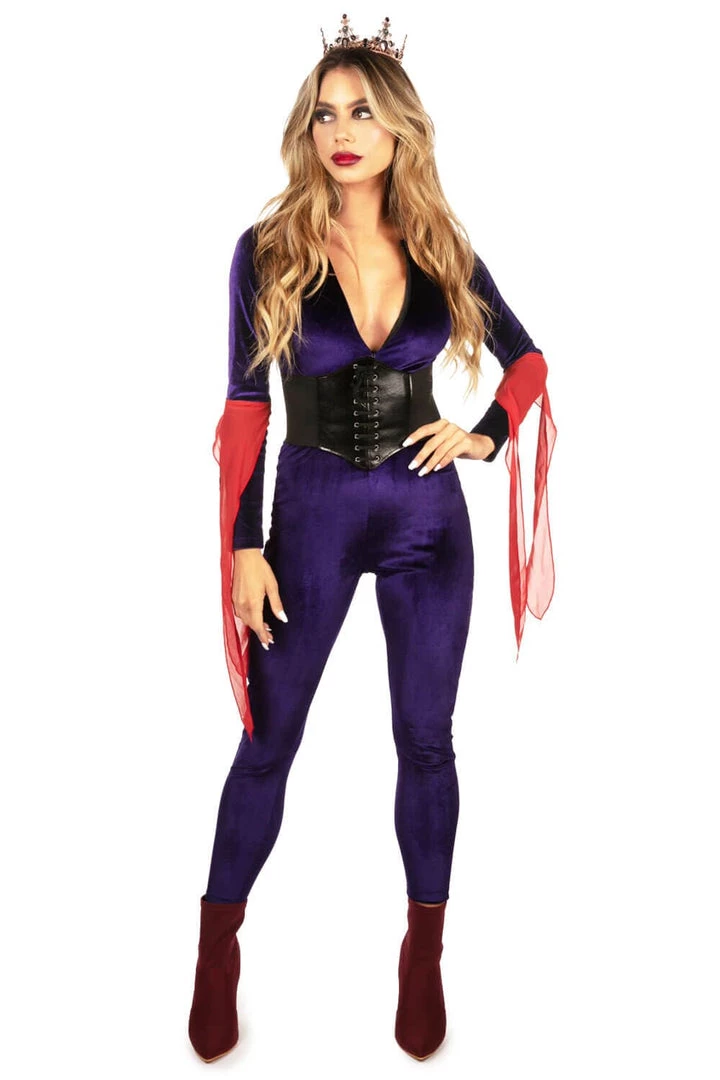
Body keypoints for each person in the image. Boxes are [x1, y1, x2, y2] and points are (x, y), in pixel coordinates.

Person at [189, 14, 556, 1065]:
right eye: (324, 114)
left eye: (361, 112)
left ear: (399, 128)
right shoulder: (268, 247)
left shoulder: (442, 245)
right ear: (306, 131)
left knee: (428, 741)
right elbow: (246, 405)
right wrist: (243, 547)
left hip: (427, 520)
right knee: (268, 741)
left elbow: (529, 362)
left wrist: (482, 435)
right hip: (308, 513)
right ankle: (217, 951)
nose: (341, 132)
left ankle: (423, 954)